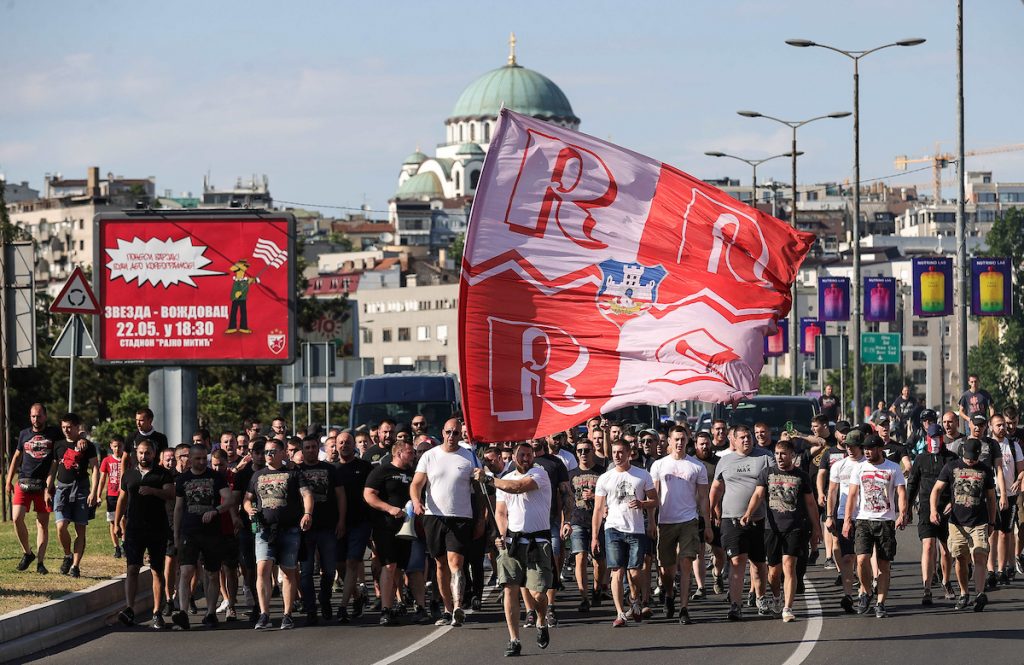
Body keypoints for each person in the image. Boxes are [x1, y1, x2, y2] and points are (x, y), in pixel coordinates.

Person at [477, 442, 553, 657]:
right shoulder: (505, 479)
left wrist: (489, 480)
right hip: (512, 542)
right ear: (514, 457)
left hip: (538, 541)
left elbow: (519, 487)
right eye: (521, 455)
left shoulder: (540, 474)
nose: (526, 458)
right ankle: (514, 639)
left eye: (529, 454)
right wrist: (501, 535)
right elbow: (501, 512)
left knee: (538, 593)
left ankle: (540, 621)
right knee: (509, 588)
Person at [410, 418, 483, 627]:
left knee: (456, 563)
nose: (452, 436)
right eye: (449, 432)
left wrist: (480, 520)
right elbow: (416, 483)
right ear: (442, 432)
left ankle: (458, 607)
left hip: (461, 517)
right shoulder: (429, 456)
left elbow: (479, 492)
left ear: (461, 435)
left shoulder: (469, 457)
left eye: (456, 433)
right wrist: (416, 501)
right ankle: (448, 609)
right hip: (434, 517)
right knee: (440, 565)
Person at [741, 438, 820, 622]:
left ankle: (787, 607)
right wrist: (748, 514)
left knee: (789, 566)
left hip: (794, 527)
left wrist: (817, 528)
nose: (779, 457)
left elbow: (810, 503)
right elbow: (758, 495)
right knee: (774, 573)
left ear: (793, 456)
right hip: (772, 528)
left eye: (783, 454)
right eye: (776, 454)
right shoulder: (767, 473)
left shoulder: (801, 476)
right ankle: (777, 597)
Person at [243, 438, 313, 630]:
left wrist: (307, 513)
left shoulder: (293, 473)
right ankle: (264, 614)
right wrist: (249, 509)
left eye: (273, 451)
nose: (269, 455)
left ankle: (287, 614)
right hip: (265, 530)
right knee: (262, 569)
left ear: (283, 453)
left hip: (289, 529)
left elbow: (307, 494)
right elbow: (247, 499)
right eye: (266, 452)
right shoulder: (257, 475)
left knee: (288, 571)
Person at [710, 425, 775, 620]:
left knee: (758, 563)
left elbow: (771, 484)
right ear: (734, 440)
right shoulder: (725, 461)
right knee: (737, 561)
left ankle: (761, 597)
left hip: (759, 519)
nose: (746, 440)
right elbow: (716, 487)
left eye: (749, 437)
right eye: (742, 438)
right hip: (731, 518)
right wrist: (712, 510)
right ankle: (735, 605)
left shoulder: (764, 457)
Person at [650, 426, 711, 625]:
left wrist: (707, 524)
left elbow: (703, 498)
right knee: (666, 570)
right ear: (668, 441)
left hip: (689, 521)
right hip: (666, 522)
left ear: (688, 440)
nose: (679, 443)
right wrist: (651, 520)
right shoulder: (659, 465)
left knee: (686, 564)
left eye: (683, 439)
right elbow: (654, 496)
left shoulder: (697, 466)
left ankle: (684, 608)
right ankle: (669, 593)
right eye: (676, 439)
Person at [592, 440, 657, 627]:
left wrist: (642, 504)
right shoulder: (605, 478)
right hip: (613, 528)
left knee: (635, 572)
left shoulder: (642, 475)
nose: (617, 456)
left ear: (629, 453)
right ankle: (620, 612)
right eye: (614, 452)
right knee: (616, 571)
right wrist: (595, 536)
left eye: (621, 452)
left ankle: (635, 599)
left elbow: (655, 500)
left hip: (635, 529)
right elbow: (598, 509)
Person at [843, 434, 908, 618]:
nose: (867, 452)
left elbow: (901, 493)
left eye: (871, 449)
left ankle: (880, 603)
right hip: (863, 520)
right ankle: (867, 591)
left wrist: (902, 513)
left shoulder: (893, 468)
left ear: (880, 449)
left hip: (885, 521)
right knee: (862, 559)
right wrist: (848, 519)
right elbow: (852, 496)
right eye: (865, 449)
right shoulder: (860, 468)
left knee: (884, 565)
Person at [113, 439, 175, 628]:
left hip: (157, 528)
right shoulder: (129, 475)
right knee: (132, 568)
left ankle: (157, 612)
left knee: (156, 570)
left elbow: (171, 494)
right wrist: (117, 523)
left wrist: (153, 491)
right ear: (136, 453)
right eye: (140, 453)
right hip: (134, 528)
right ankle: (130, 608)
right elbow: (122, 499)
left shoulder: (163, 474)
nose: (143, 456)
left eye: (147, 453)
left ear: (154, 454)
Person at [172, 444, 234, 630]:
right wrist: (176, 534)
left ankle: (210, 613)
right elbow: (178, 508)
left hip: (212, 533)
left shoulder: (216, 477)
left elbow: (229, 499)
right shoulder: (183, 479)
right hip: (189, 532)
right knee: (186, 571)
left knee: (212, 573)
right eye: (197, 458)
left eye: (203, 458)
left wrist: (216, 510)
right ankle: (183, 612)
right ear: (189, 458)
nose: (200, 462)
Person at [931, 437, 997, 611]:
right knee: (960, 557)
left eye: (973, 458)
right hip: (957, 523)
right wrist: (933, 510)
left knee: (980, 554)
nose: (970, 461)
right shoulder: (951, 467)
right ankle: (964, 593)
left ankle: (980, 593)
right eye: (968, 457)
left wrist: (992, 521)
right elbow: (936, 489)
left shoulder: (985, 470)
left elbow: (991, 498)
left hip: (979, 521)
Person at [364, 438, 424, 625]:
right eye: (410, 452)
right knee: (389, 566)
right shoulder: (382, 471)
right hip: (386, 527)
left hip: (411, 528)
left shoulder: (414, 473)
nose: (413, 455)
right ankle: (386, 609)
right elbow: (368, 495)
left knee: (412, 569)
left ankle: (421, 607)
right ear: (399, 453)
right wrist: (389, 508)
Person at [5, 403, 61, 574]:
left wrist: (81, 437)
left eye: (39, 416)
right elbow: (16, 457)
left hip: (43, 486)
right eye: (33, 416)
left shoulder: (54, 433)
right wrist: (8, 480)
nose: (36, 419)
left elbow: (58, 457)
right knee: (16, 518)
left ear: (45, 415)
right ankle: (28, 553)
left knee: (42, 524)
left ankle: (40, 563)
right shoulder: (24, 434)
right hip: (23, 481)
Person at [906, 423, 957, 604]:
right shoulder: (920, 459)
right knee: (928, 546)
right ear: (926, 439)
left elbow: (957, 484)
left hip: (947, 509)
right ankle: (926, 588)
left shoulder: (951, 458)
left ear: (942, 439)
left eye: (937, 438)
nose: (934, 442)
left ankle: (946, 581)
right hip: (927, 508)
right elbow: (912, 484)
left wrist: (952, 502)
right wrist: (906, 509)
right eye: (931, 438)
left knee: (945, 550)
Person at [298, 435, 346, 625]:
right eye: (307, 447)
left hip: (328, 526)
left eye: (313, 447)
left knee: (329, 569)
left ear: (319, 448)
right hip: (305, 530)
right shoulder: (297, 471)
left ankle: (325, 599)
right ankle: (310, 609)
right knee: (306, 571)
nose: (310, 450)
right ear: (302, 450)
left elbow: (341, 496)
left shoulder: (330, 469)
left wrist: (341, 521)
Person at [49, 414, 100, 578]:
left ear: (78, 427)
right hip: (62, 489)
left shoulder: (88, 446)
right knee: (61, 526)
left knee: (80, 529)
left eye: (69, 427)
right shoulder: (58, 444)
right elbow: (54, 467)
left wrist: (94, 492)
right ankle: (67, 554)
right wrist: (48, 486)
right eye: (63, 427)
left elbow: (95, 469)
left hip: (81, 489)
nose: (66, 430)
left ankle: (75, 566)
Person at [334, 430, 373, 623]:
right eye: (340, 443)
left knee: (351, 562)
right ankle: (357, 597)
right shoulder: (332, 470)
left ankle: (342, 607)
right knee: (339, 566)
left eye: (347, 442)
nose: (344, 446)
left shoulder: (365, 467)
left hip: (360, 523)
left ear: (354, 445)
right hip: (338, 524)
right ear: (336, 446)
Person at [826, 429, 865, 613]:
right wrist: (829, 516)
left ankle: (865, 591)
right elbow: (832, 492)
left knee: (864, 558)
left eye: (854, 446)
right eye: (848, 445)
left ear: (861, 446)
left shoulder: (867, 464)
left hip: (866, 516)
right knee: (848, 557)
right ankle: (848, 595)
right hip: (843, 516)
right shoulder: (838, 466)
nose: (850, 449)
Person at [568, 438, 606, 613]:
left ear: (593, 452)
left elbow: (610, 497)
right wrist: (565, 522)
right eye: (580, 450)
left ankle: (597, 590)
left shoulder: (603, 473)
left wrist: (595, 497)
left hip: (598, 521)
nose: (583, 454)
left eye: (587, 450)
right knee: (580, 558)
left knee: (599, 560)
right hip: (578, 520)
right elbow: (566, 501)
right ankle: (584, 597)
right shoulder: (571, 474)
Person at [231, 438, 266, 622]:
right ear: (251, 454)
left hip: (271, 526)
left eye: (263, 452)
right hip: (248, 526)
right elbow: (235, 498)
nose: (260, 456)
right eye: (257, 452)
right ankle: (258, 606)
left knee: (267, 567)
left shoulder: (275, 471)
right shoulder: (242, 474)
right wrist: (235, 517)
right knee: (251, 568)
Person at [987, 414, 1023, 586]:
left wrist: (1018, 480)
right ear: (991, 426)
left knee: (1004, 534)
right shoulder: (986, 445)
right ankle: (990, 570)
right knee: (990, 533)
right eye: (998, 425)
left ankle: (1001, 569)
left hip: (1009, 495)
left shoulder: (1013, 446)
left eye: (1003, 425)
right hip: (990, 494)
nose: (1002, 428)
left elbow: (1021, 469)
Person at [691, 431, 724, 597]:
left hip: (716, 513)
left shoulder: (719, 462)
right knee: (699, 552)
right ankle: (701, 586)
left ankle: (717, 575)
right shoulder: (691, 462)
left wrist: (717, 510)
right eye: (701, 444)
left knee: (719, 552)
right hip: (696, 513)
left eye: (707, 443)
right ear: (696, 445)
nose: (704, 446)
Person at [99, 437, 125, 558]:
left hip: (124, 495)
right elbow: (103, 478)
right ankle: (116, 547)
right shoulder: (107, 460)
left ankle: (124, 543)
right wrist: (98, 495)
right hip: (112, 495)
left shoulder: (127, 459)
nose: (117, 449)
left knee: (124, 519)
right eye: (115, 446)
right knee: (113, 521)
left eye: (119, 446)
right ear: (111, 446)